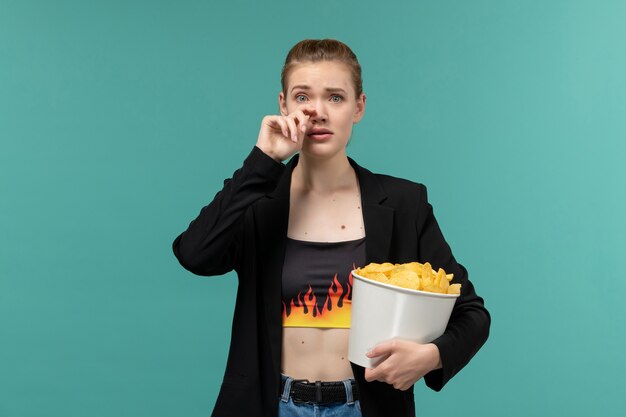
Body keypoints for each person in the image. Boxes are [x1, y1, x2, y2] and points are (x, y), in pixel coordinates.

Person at [172, 39, 490, 417]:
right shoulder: (258, 202)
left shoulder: (403, 203)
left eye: (335, 98)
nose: (317, 112)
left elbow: (472, 314)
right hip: (271, 405)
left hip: (366, 406)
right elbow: (194, 254)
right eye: (303, 97)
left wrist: (431, 357)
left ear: (359, 107)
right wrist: (263, 161)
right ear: (283, 106)